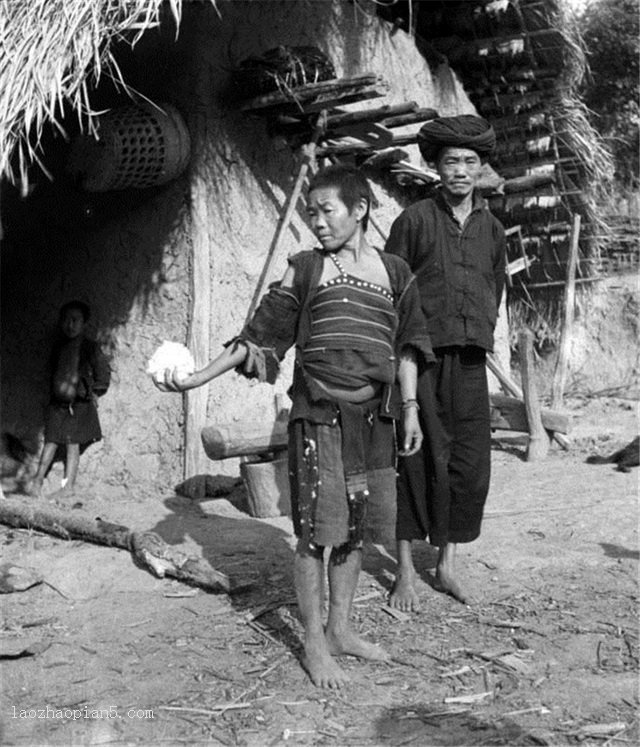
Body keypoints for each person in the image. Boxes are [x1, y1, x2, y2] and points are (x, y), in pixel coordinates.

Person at [158, 164, 434, 688]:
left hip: (375, 422)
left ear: (360, 210)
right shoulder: (305, 268)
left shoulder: (397, 274)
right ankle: (311, 641)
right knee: (314, 536)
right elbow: (257, 336)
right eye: (311, 213)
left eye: (326, 211)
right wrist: (195, 379)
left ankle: (340, 630)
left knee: (354, 532)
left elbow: (407, 350)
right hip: (319, 419)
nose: (318, 222)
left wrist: (413, 409)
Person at [384, 115, 506, 609]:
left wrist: (478, 325)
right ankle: (405, 571)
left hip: (471, 360)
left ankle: (448, 563)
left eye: (469, 162)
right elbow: (392, 285)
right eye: (450, 161)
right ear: (435, 166)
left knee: (469, 465)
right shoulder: (413, 220)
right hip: (422, 358)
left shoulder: (492, 228)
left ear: (480, 169)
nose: (459, 170)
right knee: (414, 460)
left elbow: (495, 286)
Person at [28, 301, 111, 499]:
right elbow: (52, 371)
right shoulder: (59, 347)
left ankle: (68, 486)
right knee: (51, 441)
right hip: (58, 404)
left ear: (84, 324)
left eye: (76, 320)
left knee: (73, 444)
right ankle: (37, 481)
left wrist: (95, 391)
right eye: (66, 320)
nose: (70, 325)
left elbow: (103, 373)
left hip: (78, 404)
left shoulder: (89, 348)